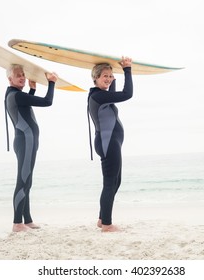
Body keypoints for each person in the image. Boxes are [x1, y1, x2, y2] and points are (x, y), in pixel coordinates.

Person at [4, 64, 58, 232]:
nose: (22, 77)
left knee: (27, 181)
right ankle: (17, 223)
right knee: (23, 181)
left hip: (26, 141)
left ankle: (26, 220)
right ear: (10, 79)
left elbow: (24, 108)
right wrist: (52, 83)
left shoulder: (15, 95)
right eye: (18, 75)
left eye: (23, 74)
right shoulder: (16, 95)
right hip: (25, 142)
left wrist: (32, 90)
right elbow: (47, 102)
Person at [87, 56, 133, 232]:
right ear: (95, 78)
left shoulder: (102, 94)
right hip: (108, 143)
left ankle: (102, 219)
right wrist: (128, 69)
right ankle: (107, 224)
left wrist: (117, 71)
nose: (108, 79)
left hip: (110, 142)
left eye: (110, 76)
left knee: (115, 181)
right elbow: (127, 94)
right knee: (110, 183)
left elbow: (114, 89)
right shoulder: (99, 96)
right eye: (104, 76)